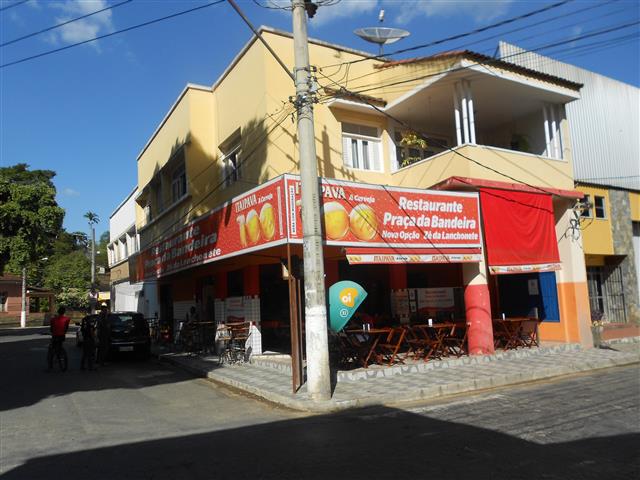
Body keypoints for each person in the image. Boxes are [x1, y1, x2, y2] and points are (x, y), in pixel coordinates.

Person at [47, 306, 70, 371]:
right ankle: (60, 353)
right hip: (62, 336)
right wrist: (63, 332)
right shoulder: (67, 319)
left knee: (51, 349)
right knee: (60, 345)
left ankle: (50, 365)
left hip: (55, 336)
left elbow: (51, 329)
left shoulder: (53, 319)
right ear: (64, 312)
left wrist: (53, 332)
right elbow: (66, 328)